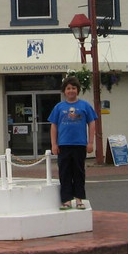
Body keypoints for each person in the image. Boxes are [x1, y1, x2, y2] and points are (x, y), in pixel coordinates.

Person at [48, 76, 99, 210]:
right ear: (64, 91)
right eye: (68, 88)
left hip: (80, 145)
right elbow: (54, 126)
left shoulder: (85, 106)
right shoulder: (59, 107)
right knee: (64, 173)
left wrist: (90, 142)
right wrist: (54, 144)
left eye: (74, 88)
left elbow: (92, 122)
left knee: (79, 172)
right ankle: (66, 200)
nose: (71, 91)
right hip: (63, 145)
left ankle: (79, 199)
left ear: (78, 90)